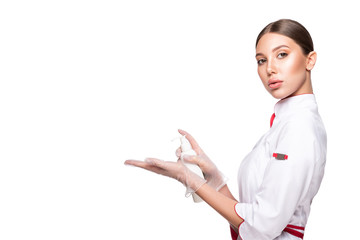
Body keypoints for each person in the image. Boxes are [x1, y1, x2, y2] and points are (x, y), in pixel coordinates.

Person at [125, 19, 327, 240]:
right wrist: (214, 179)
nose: (270, 69)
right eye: (261, 60)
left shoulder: (299, 127)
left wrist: (190, 179)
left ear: (310, 60)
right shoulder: (285, 123)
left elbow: (261, 227)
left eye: (282, 55)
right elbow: (252, 217)